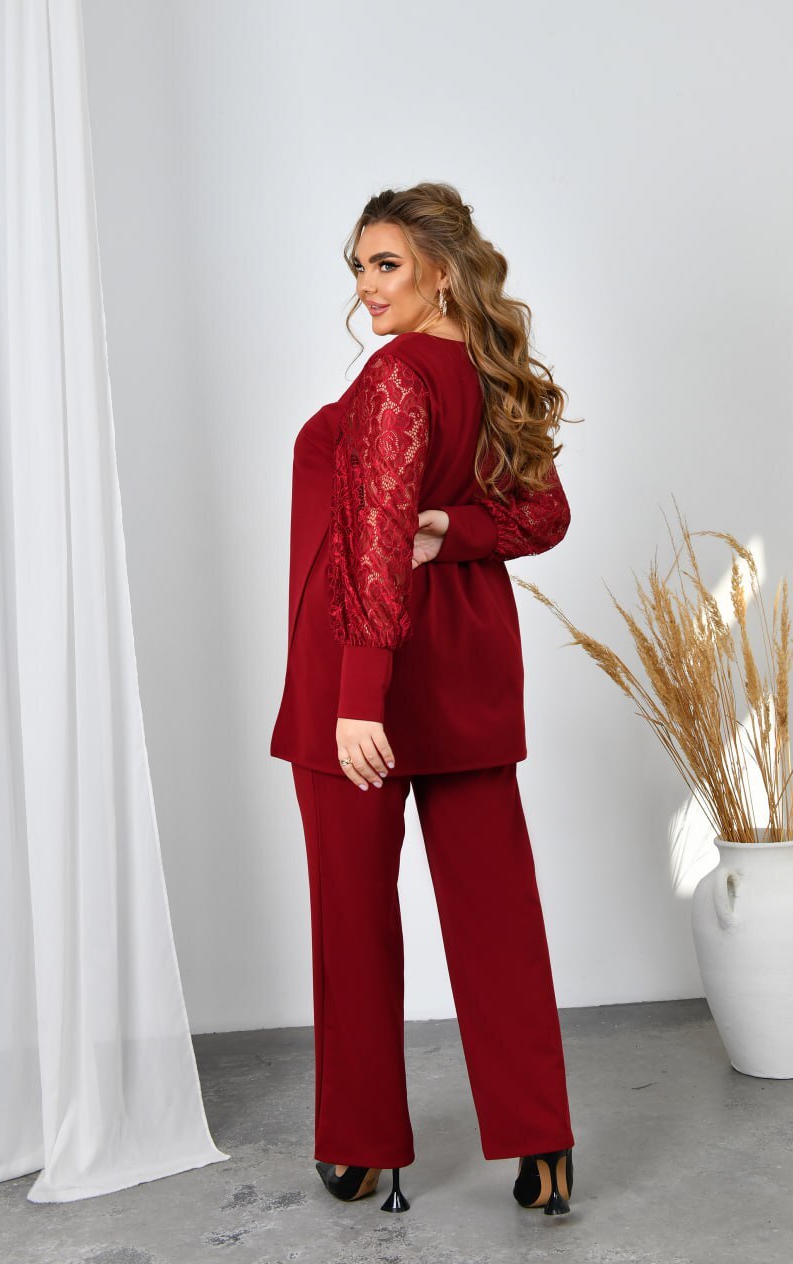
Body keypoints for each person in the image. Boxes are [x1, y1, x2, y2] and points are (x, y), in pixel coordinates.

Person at [270, 181, 577, 1216]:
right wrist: (457, 528)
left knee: (352, 918)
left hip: (362, 674)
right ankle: (542, 1144)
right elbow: (541, 515)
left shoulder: (396, 373)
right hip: (469, 666)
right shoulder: (489, 370)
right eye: (358, 267)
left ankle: (362, 1147)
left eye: (386, 264)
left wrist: (359, 695)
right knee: (497, 915)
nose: (367, 286)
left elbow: (372, 538)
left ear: (441, 269)